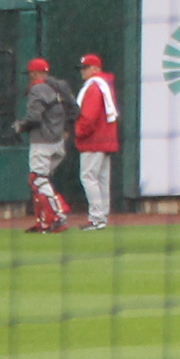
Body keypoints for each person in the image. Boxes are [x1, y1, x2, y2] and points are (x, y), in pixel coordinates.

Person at [13, 55, 73, 233]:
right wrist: (67, 129)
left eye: (30, 73)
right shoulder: (58, 87)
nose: (29, 76)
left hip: (42, 142)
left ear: (35, 73)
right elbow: (73, 109)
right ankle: (44, 222)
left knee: (38, 179)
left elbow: (34, 117)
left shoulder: (38, 89)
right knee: (38, 181)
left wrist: (20, 126)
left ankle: (58, 217)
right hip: (58, 142)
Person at [70, 51, 121, 230]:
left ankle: (97, 217)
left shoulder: (93, 87)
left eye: (86, 68)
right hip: (105, 139)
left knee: (89, 177)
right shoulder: (105, 84)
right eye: (82, 68)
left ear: (95, 68)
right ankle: (102, 216)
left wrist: (78, 132)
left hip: (93, 140)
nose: (82, 72)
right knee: (101, 179)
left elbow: (88, 117)